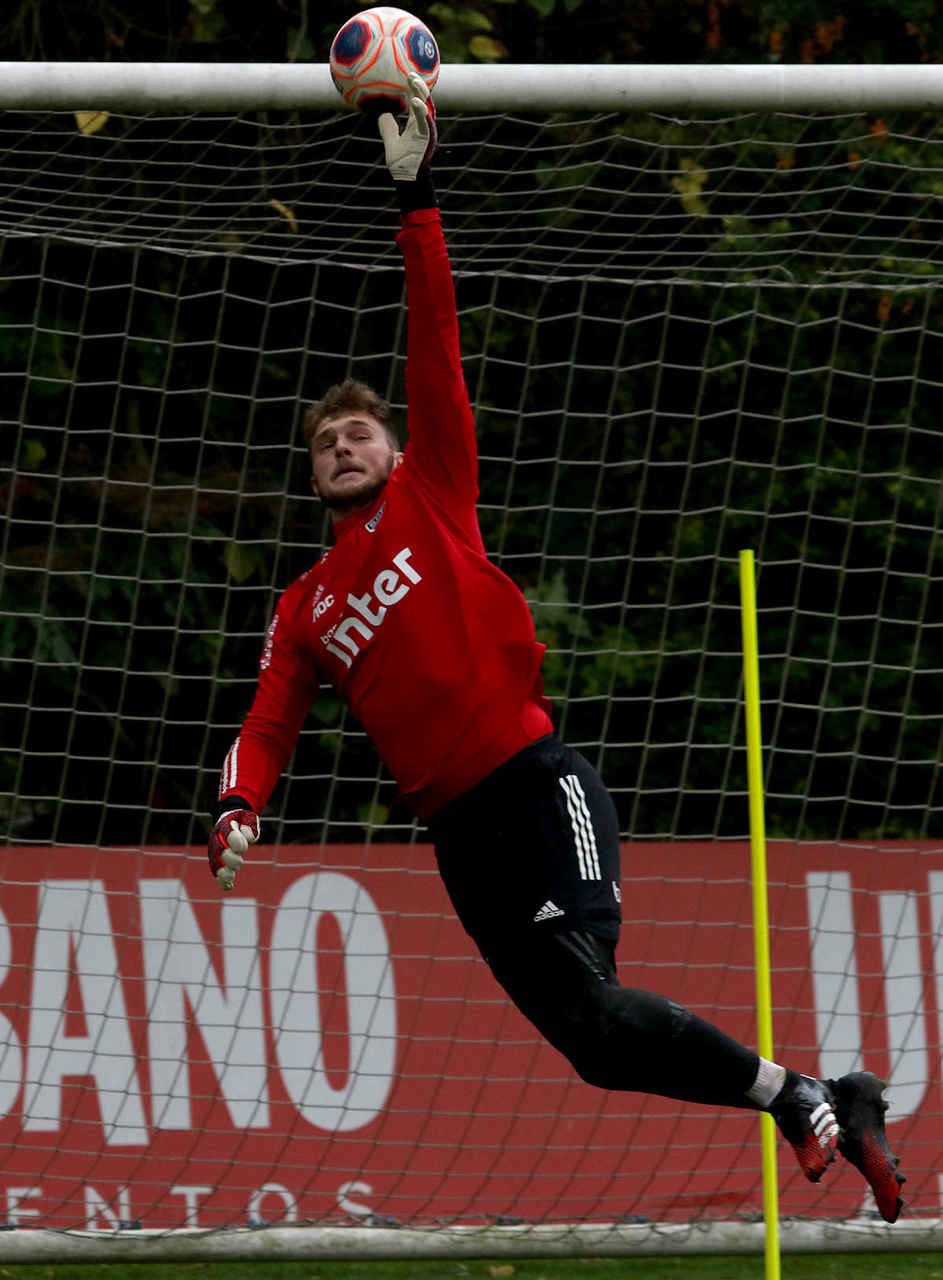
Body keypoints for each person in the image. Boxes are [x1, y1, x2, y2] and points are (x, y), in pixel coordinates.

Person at [207, 76, 905, 1224]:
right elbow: (268, 718)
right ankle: (818, 1091)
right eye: (324, 441)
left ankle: (803, 1094)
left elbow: (433, 331)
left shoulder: (435, 491)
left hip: (537, 786)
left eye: (358, 430)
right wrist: (239, 801)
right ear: (312, 471)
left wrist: (413, 188)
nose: (341, 443)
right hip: (460, 841)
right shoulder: (303, 604)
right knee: (588, 1040)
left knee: (594, 992)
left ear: (394, 448)